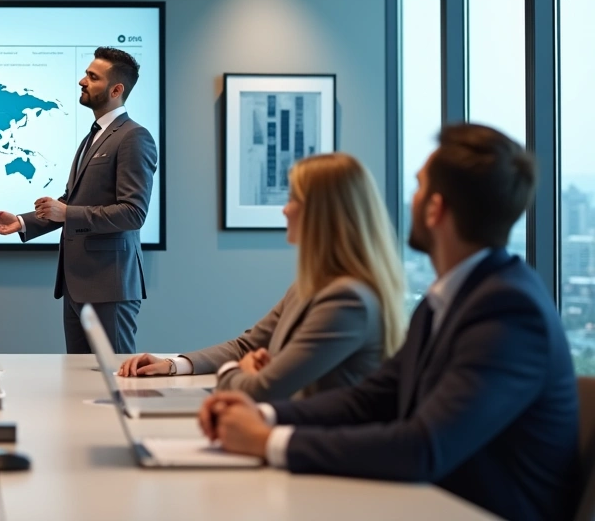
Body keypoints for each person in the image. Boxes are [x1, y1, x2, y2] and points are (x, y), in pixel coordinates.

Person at [200, 124, 579, 521]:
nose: (408, 200)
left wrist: (269, 441)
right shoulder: (450, 299)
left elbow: (423, 446)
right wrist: (264, 414)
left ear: (435, 209)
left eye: (417, 187)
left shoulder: (508, 311)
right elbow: (371, 399)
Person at [118, 153, 405, 401]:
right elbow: (248, 345)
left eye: (294, 199)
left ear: (322, 215)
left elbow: (262, 389)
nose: (285, 209)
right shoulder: (310, 287)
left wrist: (238, 370)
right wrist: (172, 365)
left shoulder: (346, 300)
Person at [0, 47, 158, 353]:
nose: (82, 81)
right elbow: (70, 202)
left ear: (116, 89)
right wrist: (24, 222)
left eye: (92, 77)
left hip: (109, 288)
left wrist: (68, 213)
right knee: (81, 384)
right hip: (76, 286)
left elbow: (133, 213)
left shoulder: (133, 137)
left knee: (117, 383)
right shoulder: (92, 136)